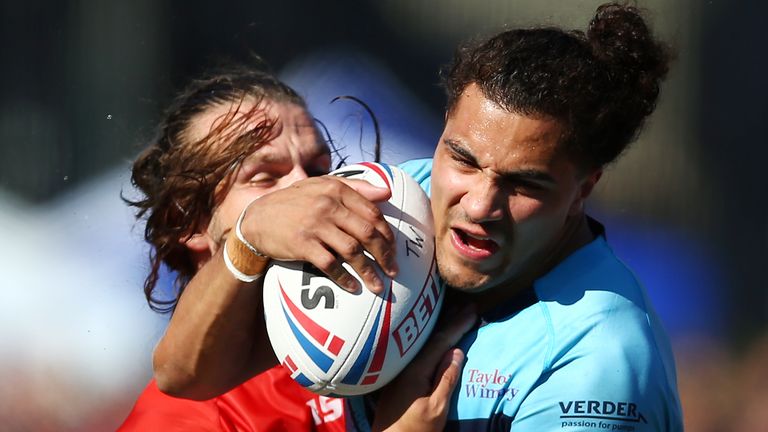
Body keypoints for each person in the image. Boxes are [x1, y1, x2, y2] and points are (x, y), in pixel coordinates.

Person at [146, 3, 683, 431]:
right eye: (462, 159)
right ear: (443, 129)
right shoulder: (397, 200)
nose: (477, 206)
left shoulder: (595, 362)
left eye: (523, 183)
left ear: (583, 190)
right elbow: (183, 375)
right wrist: (250, 235)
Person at [118, 64, 469, 431]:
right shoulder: (184, 418)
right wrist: (251, 236)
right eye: (265, 177)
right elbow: (178, 375)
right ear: (189, 222)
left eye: (318, 170)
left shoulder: (406, 282)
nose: (309, 191)